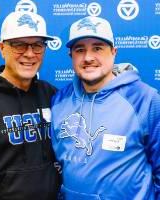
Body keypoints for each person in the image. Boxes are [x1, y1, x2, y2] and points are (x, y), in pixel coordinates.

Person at [51, 15, 160, 199]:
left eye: (97, 48)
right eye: (80, 50)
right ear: (71, 55)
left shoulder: (145, 99)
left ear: (113, 52)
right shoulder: (59, 101)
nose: (88, 57)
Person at [0, 11, 60, 199]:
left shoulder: (51, 95)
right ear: (1, 48)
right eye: (19, 45)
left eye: (37, 45)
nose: (29, 54)